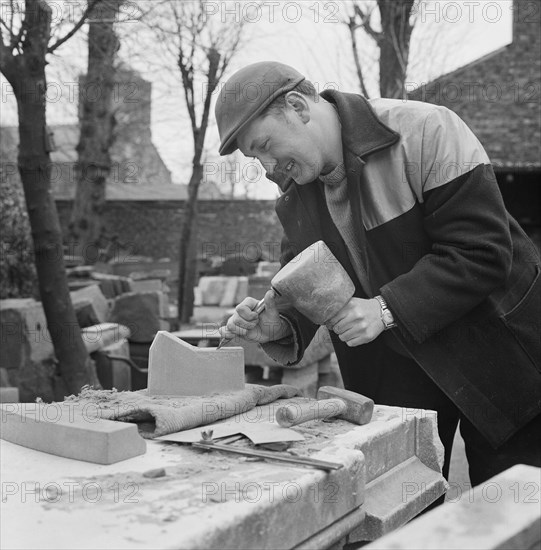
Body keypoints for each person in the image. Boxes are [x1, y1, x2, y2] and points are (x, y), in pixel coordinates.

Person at [214, 61, 541, 488]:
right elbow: (303, 287)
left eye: (265, 145)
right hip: (398, 374)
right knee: (402, 507)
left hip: (496, 350)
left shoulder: (426, 131)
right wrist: (277, 325)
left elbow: (481, 250)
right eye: (255, 157)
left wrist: (385, 308)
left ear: (297, 106)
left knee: (514, 511)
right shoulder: (295, 195)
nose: (268, 166)